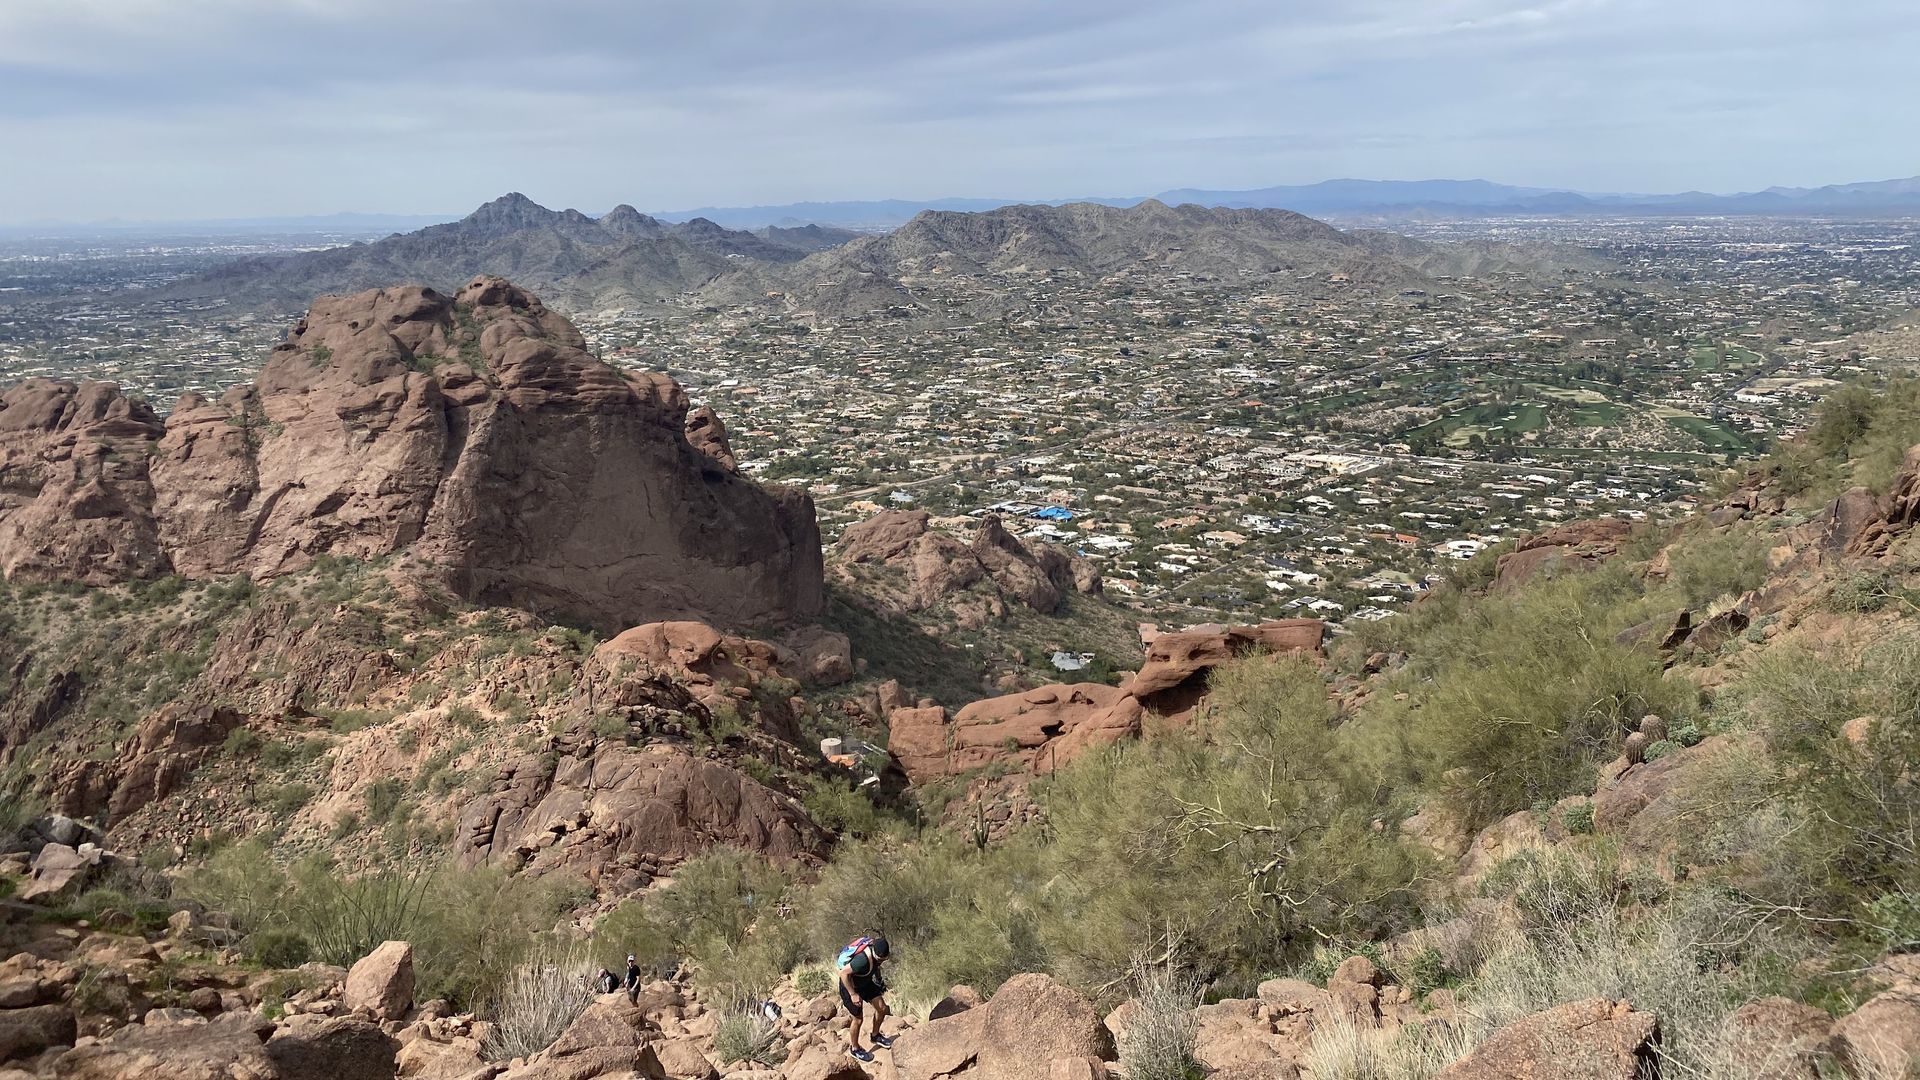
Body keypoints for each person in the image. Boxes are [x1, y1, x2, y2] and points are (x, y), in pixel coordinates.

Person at [836, 934, 892, 1063]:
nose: (881, 961)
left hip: (865, 982)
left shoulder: (877, 957)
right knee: (858, 1019)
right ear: (875, 954)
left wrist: (878, 980)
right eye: (880, 959)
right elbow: (843, 974)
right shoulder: (862, 960)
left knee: (882, 1008)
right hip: (849, 986)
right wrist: (853, 994)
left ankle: (875, 1035)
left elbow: (876, 966)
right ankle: (855, 1049)